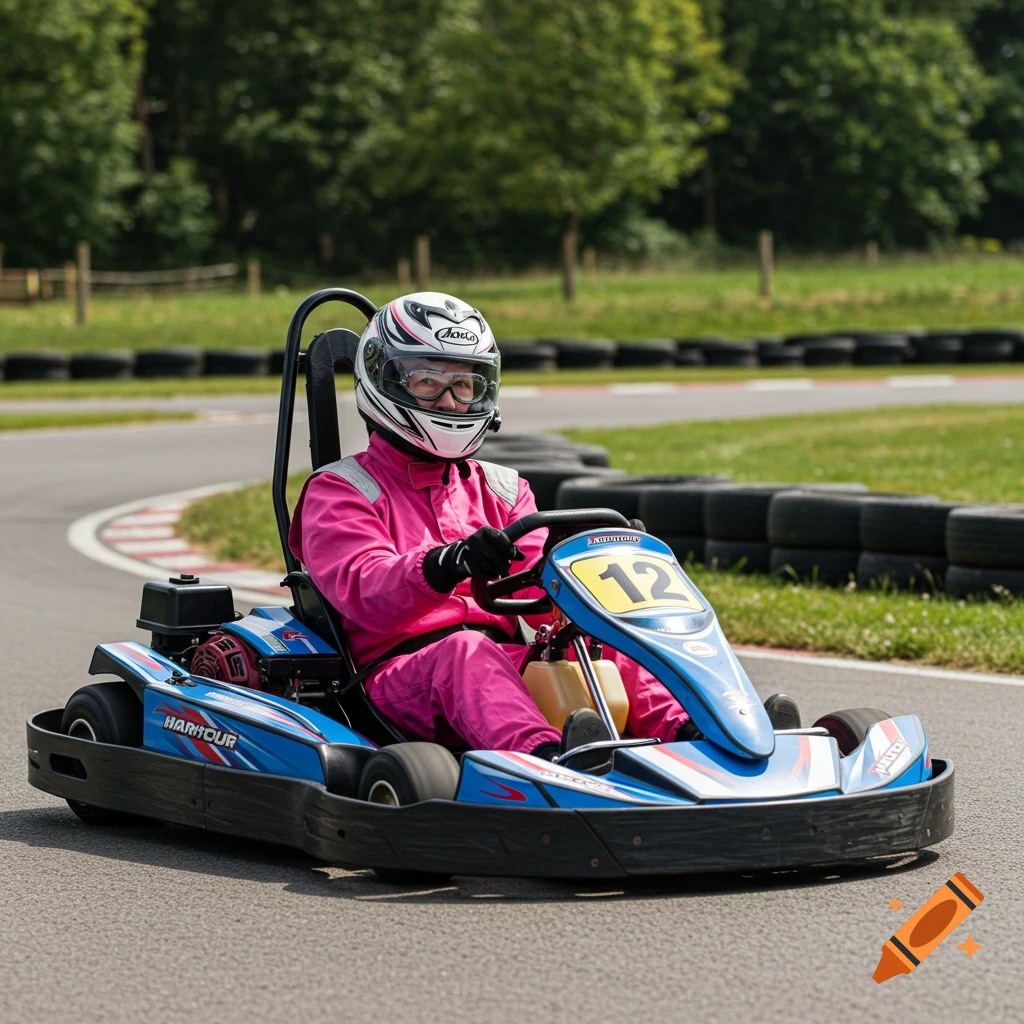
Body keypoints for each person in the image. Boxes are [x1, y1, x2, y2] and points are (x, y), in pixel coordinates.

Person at [289, 292, 799, 766]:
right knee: (467, 652)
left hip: (505, 661)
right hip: (397, 676)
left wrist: (589, 572)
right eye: (429, 382)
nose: (449, 401)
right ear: (388, 382)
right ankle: (552, 762)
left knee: (608, 641)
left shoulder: (505, 489)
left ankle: (700, 737)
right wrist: (447, 563)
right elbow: (363, 588)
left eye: (464, 384)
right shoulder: (342, 489)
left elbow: (539, 585)